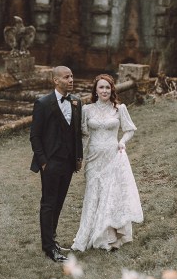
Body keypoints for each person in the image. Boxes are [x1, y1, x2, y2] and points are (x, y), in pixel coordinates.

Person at [71, 74, 143, 252]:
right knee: (93, 194)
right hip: (94, 158)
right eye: (101, 87)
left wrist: (122, 142)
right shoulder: (87, 110)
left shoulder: (119, 109)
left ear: (112, 90)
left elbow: (129, 130)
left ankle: (107, 236)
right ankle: (87, 234)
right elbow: (84, 134)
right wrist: (78, 157)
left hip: (112, 156)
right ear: (95, 90)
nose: (104, 90)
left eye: (107, 87)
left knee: (110, 194)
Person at [30, 66, 83, 262]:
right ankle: (48, 247)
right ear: (56, 80)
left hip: (68, 163)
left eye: (72, 76)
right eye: (66, 77)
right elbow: (35, 136)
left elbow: (76, 133)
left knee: (59, 203)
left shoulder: (77, 102)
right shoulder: (43, 103)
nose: (71, 79)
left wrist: (78, 158)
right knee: (48, 203)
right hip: (50, 163)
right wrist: (43, 162)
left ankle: (52, 238)